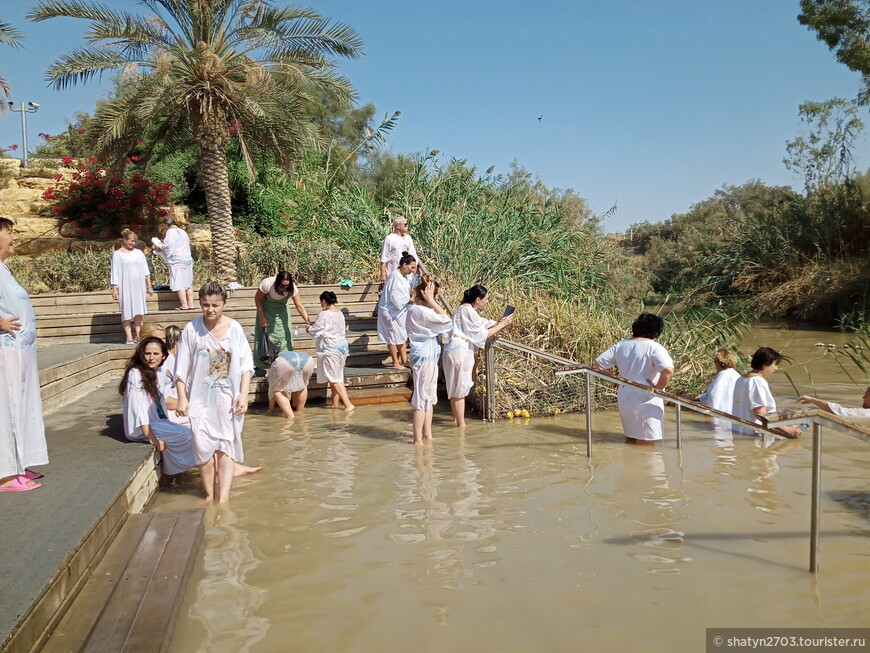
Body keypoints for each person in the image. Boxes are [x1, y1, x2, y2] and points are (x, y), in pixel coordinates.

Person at [175, 282, 254, 503]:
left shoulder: (234, 329)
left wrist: (243, 393)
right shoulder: (192, 329)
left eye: (215, 305)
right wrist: (182, 397)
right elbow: (180, 368)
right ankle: (209, 494)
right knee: (202, 447)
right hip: (199, 399)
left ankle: (224, 498)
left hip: (228, 398)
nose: (210, 310)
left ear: (224, 304)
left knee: (226, 446)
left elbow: (246, 365)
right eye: (205, 305)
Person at [0, 217, 48, 492]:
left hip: (21, 354)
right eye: (9, 232)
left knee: (20, 409)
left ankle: (17, 465)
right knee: (7, 411)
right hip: (6, 354)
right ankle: (5, 476)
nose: (15, 237)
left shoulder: (4, 270)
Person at [119, 337, 196, 475]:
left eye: (156, 354)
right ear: (141, 354)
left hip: (159, 420)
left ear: (164, 356)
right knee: (188, 435)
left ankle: (192, 467)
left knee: (200, 424)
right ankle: (174, 469)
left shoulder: (160, 371)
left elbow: (164, 398)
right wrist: (152, 439)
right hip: (141, 428)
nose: (151, 358)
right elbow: (139, 410)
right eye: (148, 353)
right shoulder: (135, 373)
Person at [595, 313, 675, 444]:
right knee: (647, 443)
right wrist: (657, 389)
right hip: (646, 398)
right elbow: (667, 370)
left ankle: (630, 463)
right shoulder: (654, 347)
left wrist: (613, 379)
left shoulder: (621, 345)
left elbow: (599, 363)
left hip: (625, 395)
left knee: (631, 436)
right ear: (656, 331)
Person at [443, 284, 514, 427]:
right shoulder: (467, 311)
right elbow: (482, 334)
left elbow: (481, 323)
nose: (487, 301)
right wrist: (502, 325)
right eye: (486, 299)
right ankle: (461, 427)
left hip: (452, 352)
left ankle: (457, 422)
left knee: (454, 390)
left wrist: (498, 322)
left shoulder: (464, 309)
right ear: (477, 299)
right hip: (460, 353)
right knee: (459, 391)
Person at [407, 275, 453, 445]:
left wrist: (431, 302)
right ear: (428, 295)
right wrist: (432, 302)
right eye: (437, 295)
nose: (438, 299)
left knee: (429, 396)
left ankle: (428, 435)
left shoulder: (419, 310)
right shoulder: (419, 310)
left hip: (428, 355)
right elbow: (447, 321)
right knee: (421, 398)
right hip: (424, 356)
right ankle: (418, 440)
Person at [731, 347, 802, 438]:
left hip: (738, 431)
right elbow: (761, 414)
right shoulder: (757, 382)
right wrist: (787, 430)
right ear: (765, 365)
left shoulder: (741, 379)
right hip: (755, 435)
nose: (776, 368)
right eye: (775, 364)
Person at [253, 271, 310, 372]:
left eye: (287, 286)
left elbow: (299, 306)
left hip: (282, 311)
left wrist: (307, 321)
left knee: (284, 335)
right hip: (266, 309)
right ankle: (263, 364)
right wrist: (262, 317)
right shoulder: (267, 284)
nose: (284, 288)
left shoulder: (292, 288)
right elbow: (257, 299)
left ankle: (284, 363)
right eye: (282, 286)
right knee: (268, 337)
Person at [308, 291, 354, 411]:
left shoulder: (324, 314)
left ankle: (348, 404)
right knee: (337, 376)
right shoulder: (340, 313)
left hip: (331, 347)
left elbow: (315, 330)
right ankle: (334, 404)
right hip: (342, 346)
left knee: (334, 378)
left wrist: (308, 328)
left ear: (323, 301)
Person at [111, 229, 154, 344]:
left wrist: (149, 286)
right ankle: (129, 337)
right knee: (126, 310)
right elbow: (114, 272)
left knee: (138, 310)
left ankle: (139, 336)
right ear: (125, 240)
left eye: (135, 242)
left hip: (138, 286)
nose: (133, 244)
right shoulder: (117, 254)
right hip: (125, 285)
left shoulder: (139, 253)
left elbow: (146, 270)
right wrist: (115, 289)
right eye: (131, 241)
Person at [377, 252, 417, 369]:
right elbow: (397, 298)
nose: (413, 270)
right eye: (412, 267)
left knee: (402, 335)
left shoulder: (403, 276)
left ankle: (404, 360)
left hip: (400, 312)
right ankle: (395, 362)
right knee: (393, 337)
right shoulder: (395, 276)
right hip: (391, 312)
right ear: (404, 265)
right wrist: (413, 300)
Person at [152, 216, 194, 310]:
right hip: (187, 259)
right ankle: (191, 304)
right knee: (188, 283)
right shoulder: (183, 232)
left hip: (177, 260)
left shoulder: (170, 232)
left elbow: (168, 246)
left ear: (167, 224)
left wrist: (159, 245)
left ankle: (184, 305)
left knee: (179, 283)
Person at [267, 351, 316, 419]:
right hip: (307, 359)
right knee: (303, 385)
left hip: (284, 362)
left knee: (277, 390)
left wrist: (270, 409)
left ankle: (290, 417)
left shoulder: (272, 370)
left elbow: (272, 391)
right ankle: (299, 413)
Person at [698, 348, 741, 413]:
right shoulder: (736, 375)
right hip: (734, 413)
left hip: (721, 414)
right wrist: (698, 398)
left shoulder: (722, 376)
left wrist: (708, 414)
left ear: (718, 362)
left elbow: (713, 396)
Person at [380, 215, 419, 283]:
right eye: (405, 225)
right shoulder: (389, 239)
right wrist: (383, 273)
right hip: (393, 272)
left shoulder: (408, 238)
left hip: (407, 272)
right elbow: (384, 257)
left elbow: (413, 254)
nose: (407, 226)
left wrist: (414, 269)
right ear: (398, 226)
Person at [798, 387, 870, 418]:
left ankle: (799, 429)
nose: (863, 398)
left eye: (866, 396)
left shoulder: (866, 413)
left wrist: (812, 399)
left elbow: (835, 410)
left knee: (814, 413)